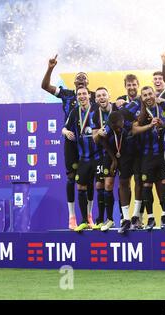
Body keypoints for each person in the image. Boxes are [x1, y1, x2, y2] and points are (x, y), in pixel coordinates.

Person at [41, 55, 96, 230]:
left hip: (89, 142)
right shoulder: (67, 94)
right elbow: (45, 86)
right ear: (73, 83)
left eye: (84, 78)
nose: (81, 80)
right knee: (71, 178)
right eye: (78, 78)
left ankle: (89, 215)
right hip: (71, 141)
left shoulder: (94, 96)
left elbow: (109, 108)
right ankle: (72, 217)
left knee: (89, 180)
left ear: (88, 83)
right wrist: (50, 68)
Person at [132, 86, 165, 230]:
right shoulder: (139, 112)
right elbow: (134, 129)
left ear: (154, 94)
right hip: (147, 154)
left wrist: (163, 124)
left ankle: (164, 216)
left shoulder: (164, 105)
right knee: (146, 186)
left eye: (150, 94)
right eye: (145, 95)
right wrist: (150, 125)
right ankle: (150, 218)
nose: (148, 97)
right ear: (141, 98)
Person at [61, 87, 100, 232]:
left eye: (84, 94)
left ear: (89, 95)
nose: (82, 96)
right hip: (83, 156)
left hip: (98, 156)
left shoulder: (96, 109)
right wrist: (66, 131)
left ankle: (96, 218)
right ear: (76, 97)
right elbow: (64, 128)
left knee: (101, 186)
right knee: (81, 186)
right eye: (79, 94)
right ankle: (84, 220)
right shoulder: (74, 112)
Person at [91, 87, 116, 230]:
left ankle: (111, 218)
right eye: (99, 96)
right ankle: (101, 219)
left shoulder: (117, 110)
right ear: (96, 99)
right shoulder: (95, 115)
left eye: (104, 95)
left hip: (119, 153)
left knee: (108, 185)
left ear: (109, 96)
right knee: (100, 186)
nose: (101, 97)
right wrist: (99, 133)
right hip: (103, 154)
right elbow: (94, 139)